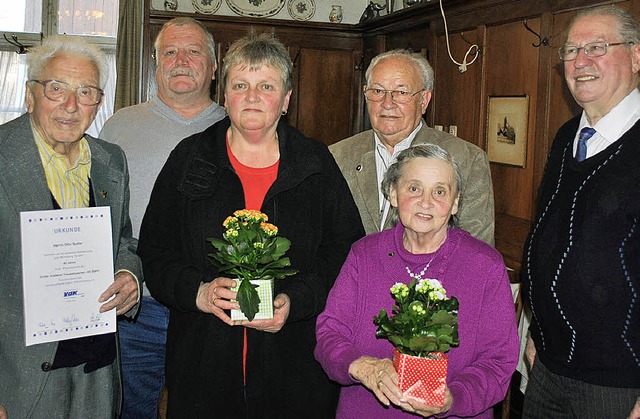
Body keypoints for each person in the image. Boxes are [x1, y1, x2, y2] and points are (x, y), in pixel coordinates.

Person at [137, 31, 364, 417]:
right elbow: (155, 249)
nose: (253, 96)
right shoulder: (190, 158)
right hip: (203, 363)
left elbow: (345, 251)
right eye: (240, 85)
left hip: (294, 365)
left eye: (267, 86)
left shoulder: (315, 163)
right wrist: (198, 292)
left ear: (286, 99)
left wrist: (297, 301)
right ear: (224, 96)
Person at [315, 144, 519, 418]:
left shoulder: (485, 266)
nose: (426, 202)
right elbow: (329, 333)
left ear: (455, 202)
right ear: (393, 194)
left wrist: (453, 397)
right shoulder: (364, 254)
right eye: (413, 188)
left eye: (439, 191)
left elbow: (498, 363)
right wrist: (362, 366)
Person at [0, 35, 141, 417]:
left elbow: (123, 241)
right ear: (31, 95)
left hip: (95, 373)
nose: (70, 105)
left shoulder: (111, 160)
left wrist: (128, 273)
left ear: (98, 103)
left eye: (86, 92)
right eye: (56, 88)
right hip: (19, 377)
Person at [99, 17, 226, 418]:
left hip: (215, 305)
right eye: (169, 52)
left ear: (213, 64)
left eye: (193, 51)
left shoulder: (239, 125)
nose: (181, 61)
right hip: (140, 306)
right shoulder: (119, 126)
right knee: (132, 409)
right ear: (155, 64)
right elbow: (99, 213)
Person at [521, 5, 640, 418]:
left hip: (618, 383)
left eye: (597, 47)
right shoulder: (566, 135)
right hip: (549, 366)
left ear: (637, 56)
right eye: (571, 51)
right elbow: (550, 234)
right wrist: (537, 333)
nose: (580, 61)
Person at [330, 49, 494, 244]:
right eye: (377, 91)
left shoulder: (466, 159)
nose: (387, 103)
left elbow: (476, 253)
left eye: (401, 92)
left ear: (424, 100)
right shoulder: (337, 156)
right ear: (366, 95)